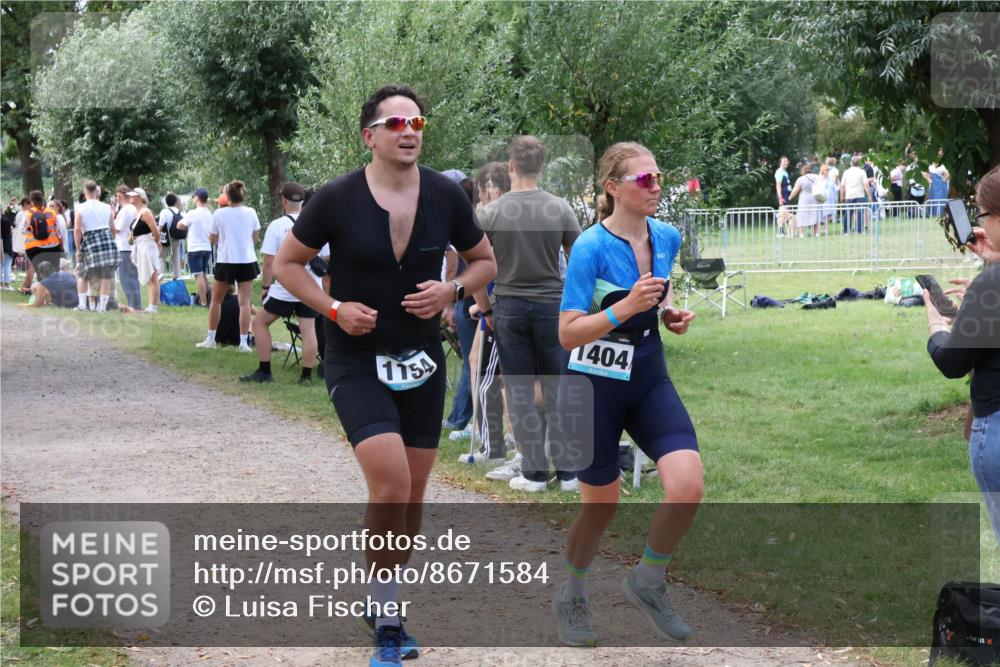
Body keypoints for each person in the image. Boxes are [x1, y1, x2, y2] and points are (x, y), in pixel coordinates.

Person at [273, 84, 496, 667]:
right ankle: (391, 622)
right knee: (391, 485)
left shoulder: (446, 195)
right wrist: (332, 309)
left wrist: (451, 289)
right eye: (396, 121)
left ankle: (380, 597)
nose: (409, 130)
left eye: (417, 120)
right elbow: (286, 265)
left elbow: (485, 261)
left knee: (413, 497)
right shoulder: (337, 198)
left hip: (421, 359)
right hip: (354, 357)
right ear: (370, 135)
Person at [555, 141, 701, 647]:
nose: (656, 185)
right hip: (592, 384)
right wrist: (624, 309)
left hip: (647, 370)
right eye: (644, 179)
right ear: (613, 188)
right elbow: (569, 332)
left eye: (659, 176)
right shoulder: (590, 248)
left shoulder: (667, 235)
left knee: (687, 485)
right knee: (601, 508)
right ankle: (572, 595)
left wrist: (667, 315)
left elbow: (657, 297)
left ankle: (648, 581)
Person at [475, 135, 582, 492]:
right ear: (542, 166)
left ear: (510, 167)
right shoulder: (560, 207)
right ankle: (567, 472)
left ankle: (534, 473)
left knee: (519, 389)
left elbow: (476, 263)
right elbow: (577, 258)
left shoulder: (491, 212)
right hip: (553, 305)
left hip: (509, 305)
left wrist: (485, 308)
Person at [924, 164, 1000, 541]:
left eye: (982, 214)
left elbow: (953, 362)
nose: (980, 223)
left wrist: (937, 327)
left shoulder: (991, 287)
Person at [240, 182, 328, 385]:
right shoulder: (317, 225)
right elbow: (327, 256)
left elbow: (269, 261)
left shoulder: (277, 226)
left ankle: (264, 371)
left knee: (260, 322)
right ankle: (306, 376)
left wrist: (265, 287)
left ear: (284, 200)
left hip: (286, 287)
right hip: (311, 286)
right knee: (308, 329)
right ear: (303, 201)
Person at [196, 180, 260, 352]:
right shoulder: (251, 212)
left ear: (227, 196)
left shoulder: (219, 214)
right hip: (247, 260)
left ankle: (211, 339)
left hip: (226, 260)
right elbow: (255, 237)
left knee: (216, 300)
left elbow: (213, 239)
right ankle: (244, 343)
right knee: (245, 303)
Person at [73, 180, 118, 312]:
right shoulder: (107, 207)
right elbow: (113, 228)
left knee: (83, 274)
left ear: (84, 191)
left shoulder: (80, 208)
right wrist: (111, 241)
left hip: (90, 238)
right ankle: (102, 308)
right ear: (97, 191)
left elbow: (76, 230)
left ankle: (82, 305)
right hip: (106, 238)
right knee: (106, 275)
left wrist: (78, 249)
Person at [127, 187, 161, 313]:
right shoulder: (138, 212)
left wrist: (157, 242)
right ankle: (151, 305)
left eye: (132, 196)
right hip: (140, 245)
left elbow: (155, 230)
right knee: (149, 276)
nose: (130, 197)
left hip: (147, 245)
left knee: (152, 276)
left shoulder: (145, 212)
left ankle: (153, 306)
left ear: (139, 197)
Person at [179, 188, 214, 306]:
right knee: (203, 274)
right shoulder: (209, 213)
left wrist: (188, 227)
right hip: (207, 248)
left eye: (194, 197)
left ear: (197, 198)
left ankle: (203, 302)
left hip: (195, 248)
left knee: (198, 275)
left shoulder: (193, 213)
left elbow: (180, 225)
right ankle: (206, 298)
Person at [113, 185, 142, 310]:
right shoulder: (133, 208)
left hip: (124, 247)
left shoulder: (126, 210)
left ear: (119, 196)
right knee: (132, 278)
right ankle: (136, 303)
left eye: (117, 196)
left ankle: (134, 305)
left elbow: (117, 228)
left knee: (127, 279)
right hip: (129, 246)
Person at [22, 190, 64, 277]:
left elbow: (22, 230)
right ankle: (53, 289)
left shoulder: (27, 214)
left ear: (31, 201)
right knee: (54, 272)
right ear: (43, 198)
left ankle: (42, 288)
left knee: (40, 272)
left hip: (34, 248)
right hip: (53, 246)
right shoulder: (52, 212)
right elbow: (59, 231)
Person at [840, 156, 872, 233]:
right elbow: (866, 185)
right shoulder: (862, 172)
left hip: (849, 195)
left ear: (851, 163)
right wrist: (869, 196)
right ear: (859, 163)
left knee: (848, 213)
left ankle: (846, 230)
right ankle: (859, 230)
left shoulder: (846, 172)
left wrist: (842, 196)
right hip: (859, 195)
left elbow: (842, 186)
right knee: (860, 212)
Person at [789, 162, 821, 238]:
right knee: (815, 214)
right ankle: (816, 233)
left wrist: (790, 198)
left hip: (804, 199)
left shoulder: (800, 179)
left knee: (802, 215)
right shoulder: (817, 177)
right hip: (815, 198)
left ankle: (802, 234)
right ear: (810, 170)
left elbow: (795, 191)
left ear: (803, 171)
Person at [158, 192, 183, 280]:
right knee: (175, 256)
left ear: (166, 202)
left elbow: (160, 226)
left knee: (161, 256)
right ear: (175, 201)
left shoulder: (164, 211)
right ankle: (177, 276)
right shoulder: (179, 211)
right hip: (177, 237)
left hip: (167, 237)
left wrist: (157, 238)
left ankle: (161, 273)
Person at [1, 199, 15, 290]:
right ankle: (6, 284)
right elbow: (11, 232)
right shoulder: (6, 220)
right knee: (7, 264)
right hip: (6, 244)